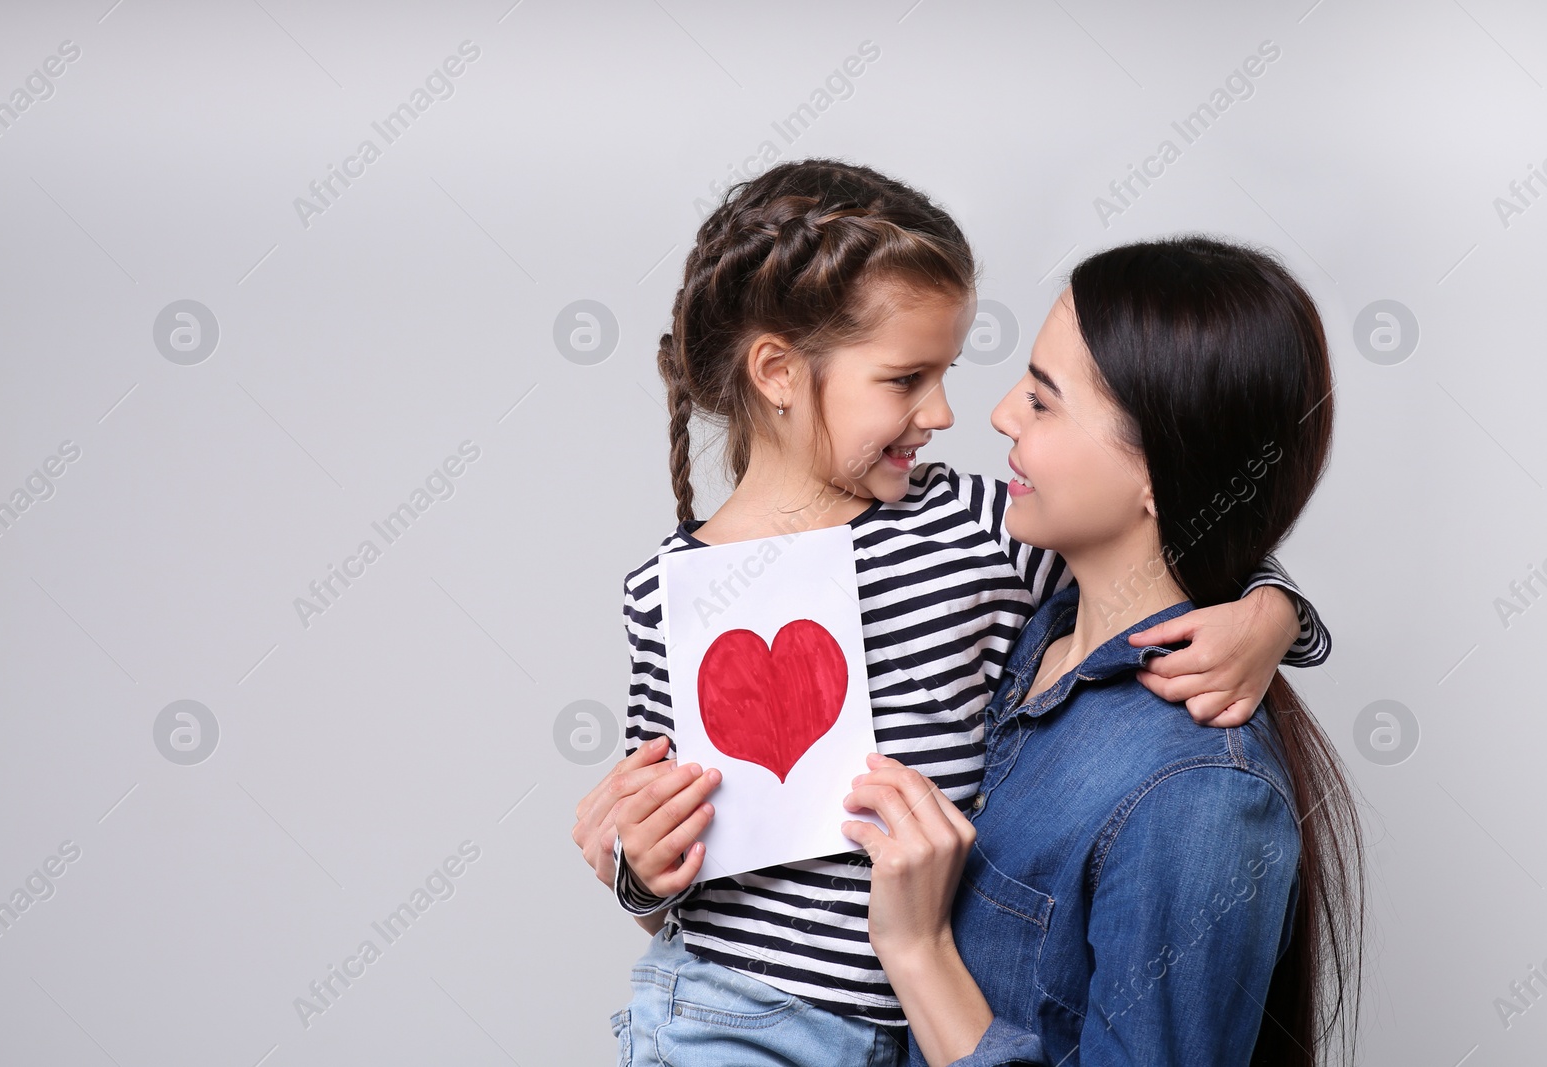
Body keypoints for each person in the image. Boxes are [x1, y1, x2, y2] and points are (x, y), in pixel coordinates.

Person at [570, 163, 1331, 1066]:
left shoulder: (972, 529)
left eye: (951, 372)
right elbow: (671, 841)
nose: (949, 411)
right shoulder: (669, 590)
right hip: (733, 1014)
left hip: (908, 1027)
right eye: (905, 378)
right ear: (776, 370)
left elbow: (1181, 533)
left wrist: (1271, 608)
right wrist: (637, 869)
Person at [842, 236, 1364, 1066]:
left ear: (1158, 470)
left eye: (1044, 401)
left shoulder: (1200, 790)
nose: (1001, 412)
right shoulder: (1024, 618)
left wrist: (919, 955)